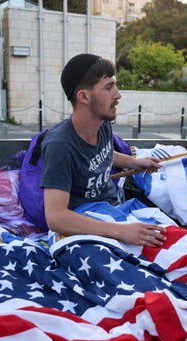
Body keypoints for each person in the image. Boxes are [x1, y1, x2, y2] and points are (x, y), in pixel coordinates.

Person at [41, 53, 165, 247]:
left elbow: (101, 154)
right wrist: (120, 231)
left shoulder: (102, 124)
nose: (118, 95)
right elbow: (56, 217)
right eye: (109, 87)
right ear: (84, 96)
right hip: (84, 223)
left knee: (167, 234)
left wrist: (135, 162)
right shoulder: (60, 145)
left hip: (113, 209)